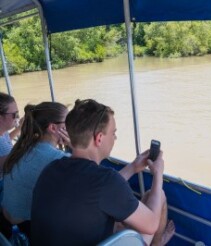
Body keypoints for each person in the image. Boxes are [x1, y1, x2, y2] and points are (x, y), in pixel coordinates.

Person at [31, 99, 175, 246]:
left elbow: (97, 189)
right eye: (113, 133)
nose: (115, 138)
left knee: (119, 221)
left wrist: (132, 167)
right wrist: (158, 175)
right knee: (157, 196)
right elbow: (151, 226)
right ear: (99, 138)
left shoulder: (51, 169)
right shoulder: (106, 179)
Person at [1, 102, 70, 239]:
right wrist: (74, 146)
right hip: (24, 226)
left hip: (5, 218)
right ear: (53, 127)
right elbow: (93, 178)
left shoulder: (24, 146)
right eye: (68, 121)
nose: (72, 126)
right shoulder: (57, 158)